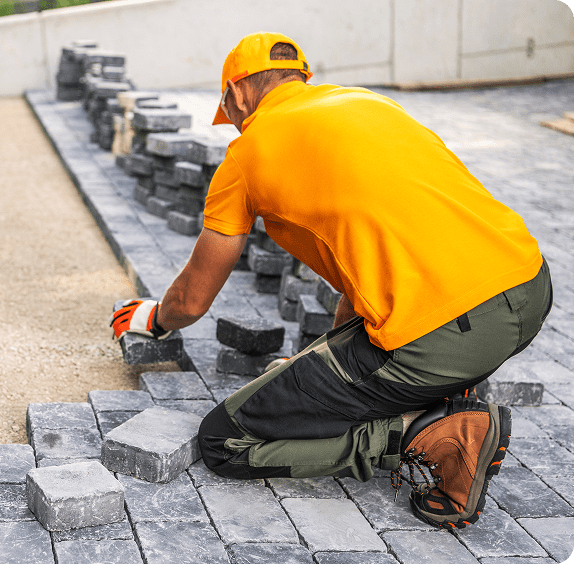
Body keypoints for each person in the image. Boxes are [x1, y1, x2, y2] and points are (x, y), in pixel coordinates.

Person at [110, 32, 552, 530]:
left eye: (228, 113)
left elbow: (192, 300)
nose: (232, 124)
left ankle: (427, 436)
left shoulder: (248, 154)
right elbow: (363, 276)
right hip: (530, 287)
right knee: (353, 366)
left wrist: (156, 319)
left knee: (223, 441)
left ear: (236, 95)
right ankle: (445, 393)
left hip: (444, 334)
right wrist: (319, 362)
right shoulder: (368, 104)